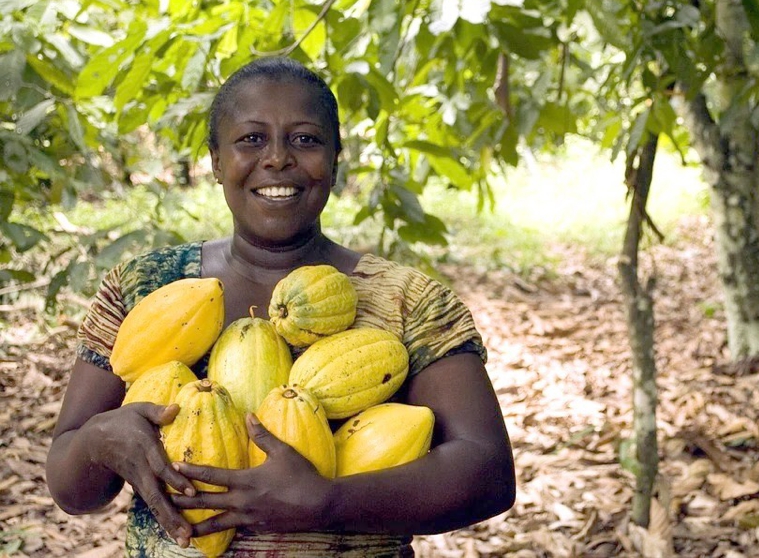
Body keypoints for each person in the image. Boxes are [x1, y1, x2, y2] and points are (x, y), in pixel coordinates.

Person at [45, 56, 516, 556]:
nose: (276, 159)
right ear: (215, 160)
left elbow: (487, 473)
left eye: (305, 139)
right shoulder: (144, 287)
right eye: (251, 139)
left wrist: (327, 502)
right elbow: (71, 488)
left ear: (335, 158)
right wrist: (99, 442)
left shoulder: (408, 302)